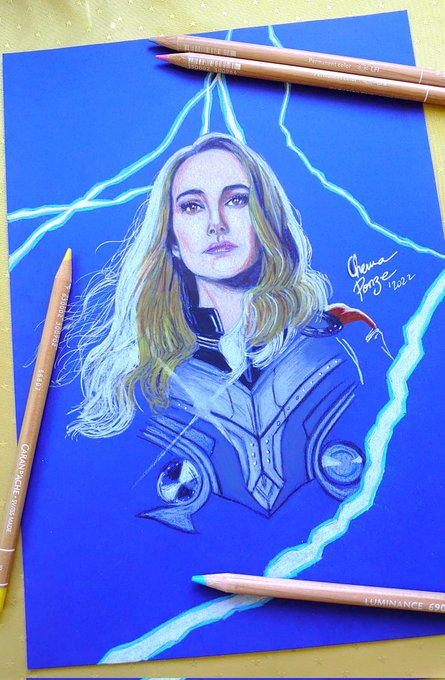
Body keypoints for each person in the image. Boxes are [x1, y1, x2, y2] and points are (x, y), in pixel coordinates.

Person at [64, 132, 379, 531]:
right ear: (171, 239)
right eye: (192, 206)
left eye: (236, 200)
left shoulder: (334, 357)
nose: (216, 224)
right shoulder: (144, 384)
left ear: (267, 220)